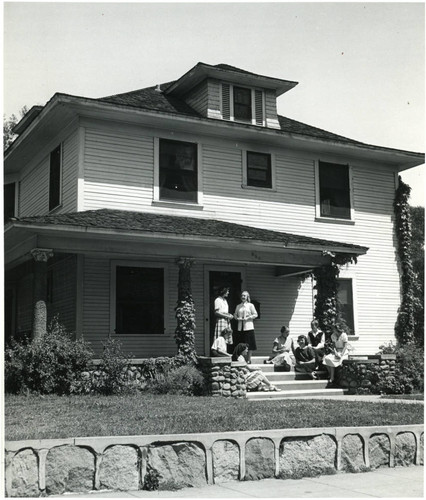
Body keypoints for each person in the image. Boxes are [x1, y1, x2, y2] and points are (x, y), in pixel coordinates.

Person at [234, 291, 258, 363]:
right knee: (242, 344)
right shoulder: (238, 306)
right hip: (240, 327)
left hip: (248, 327)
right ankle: (242, 359)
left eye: (244, 296)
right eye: (242, 295)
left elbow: (255, 314)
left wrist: (248, 318)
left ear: (247, 297)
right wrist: (237, 318)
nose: (243, 297)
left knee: (249, 344)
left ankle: (249, 359)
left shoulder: (250, 305)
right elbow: (235, 314)